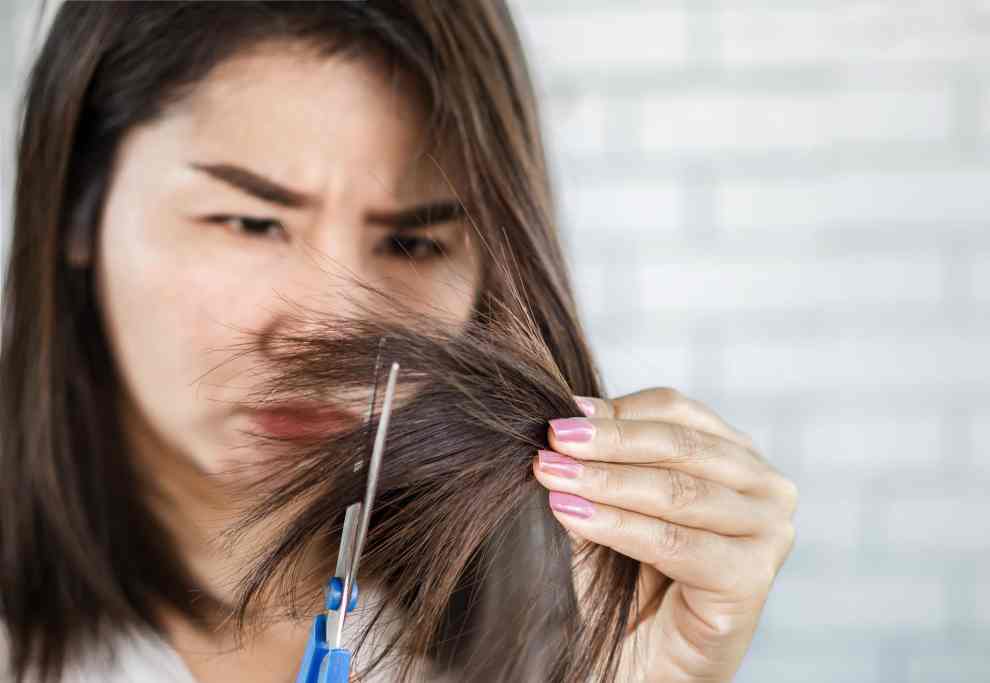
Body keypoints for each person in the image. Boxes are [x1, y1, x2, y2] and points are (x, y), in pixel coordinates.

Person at [0, 2, 798, 682]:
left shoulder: (549, 630)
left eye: (413, 244)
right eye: (249, 222)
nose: (329, 331)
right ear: (78, 204)